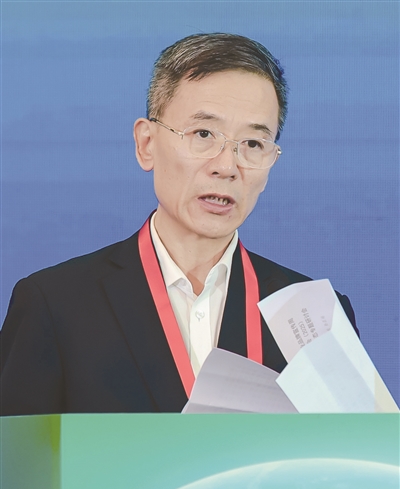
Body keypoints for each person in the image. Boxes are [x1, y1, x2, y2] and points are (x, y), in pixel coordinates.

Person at [0, 33, 358, 416]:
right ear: (146, 144)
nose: (227, 166)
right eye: (203, 134)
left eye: (253, 144)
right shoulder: (55, 305)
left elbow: (349, 452)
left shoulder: (317, 316)